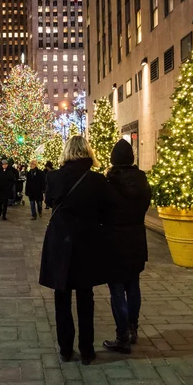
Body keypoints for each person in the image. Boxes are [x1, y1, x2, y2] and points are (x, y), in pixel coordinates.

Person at [39, 136, 112, 366]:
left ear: (67, 151)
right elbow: (105, 211)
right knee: (85, 298)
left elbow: (50, 202)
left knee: (62, 297)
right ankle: (87, 350)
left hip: (60, 242)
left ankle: (65, 349)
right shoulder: (97, 180)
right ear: (87, 151)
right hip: (87, 243)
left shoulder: (54, 176)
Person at [102, 139, 151, 354]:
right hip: (137, 239)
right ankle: (133, 328)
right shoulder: (142, 181)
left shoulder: (110, 183)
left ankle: (122, 336)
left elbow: (101, 211)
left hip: (114, 241)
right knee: (133, 285)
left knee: (117, 289)